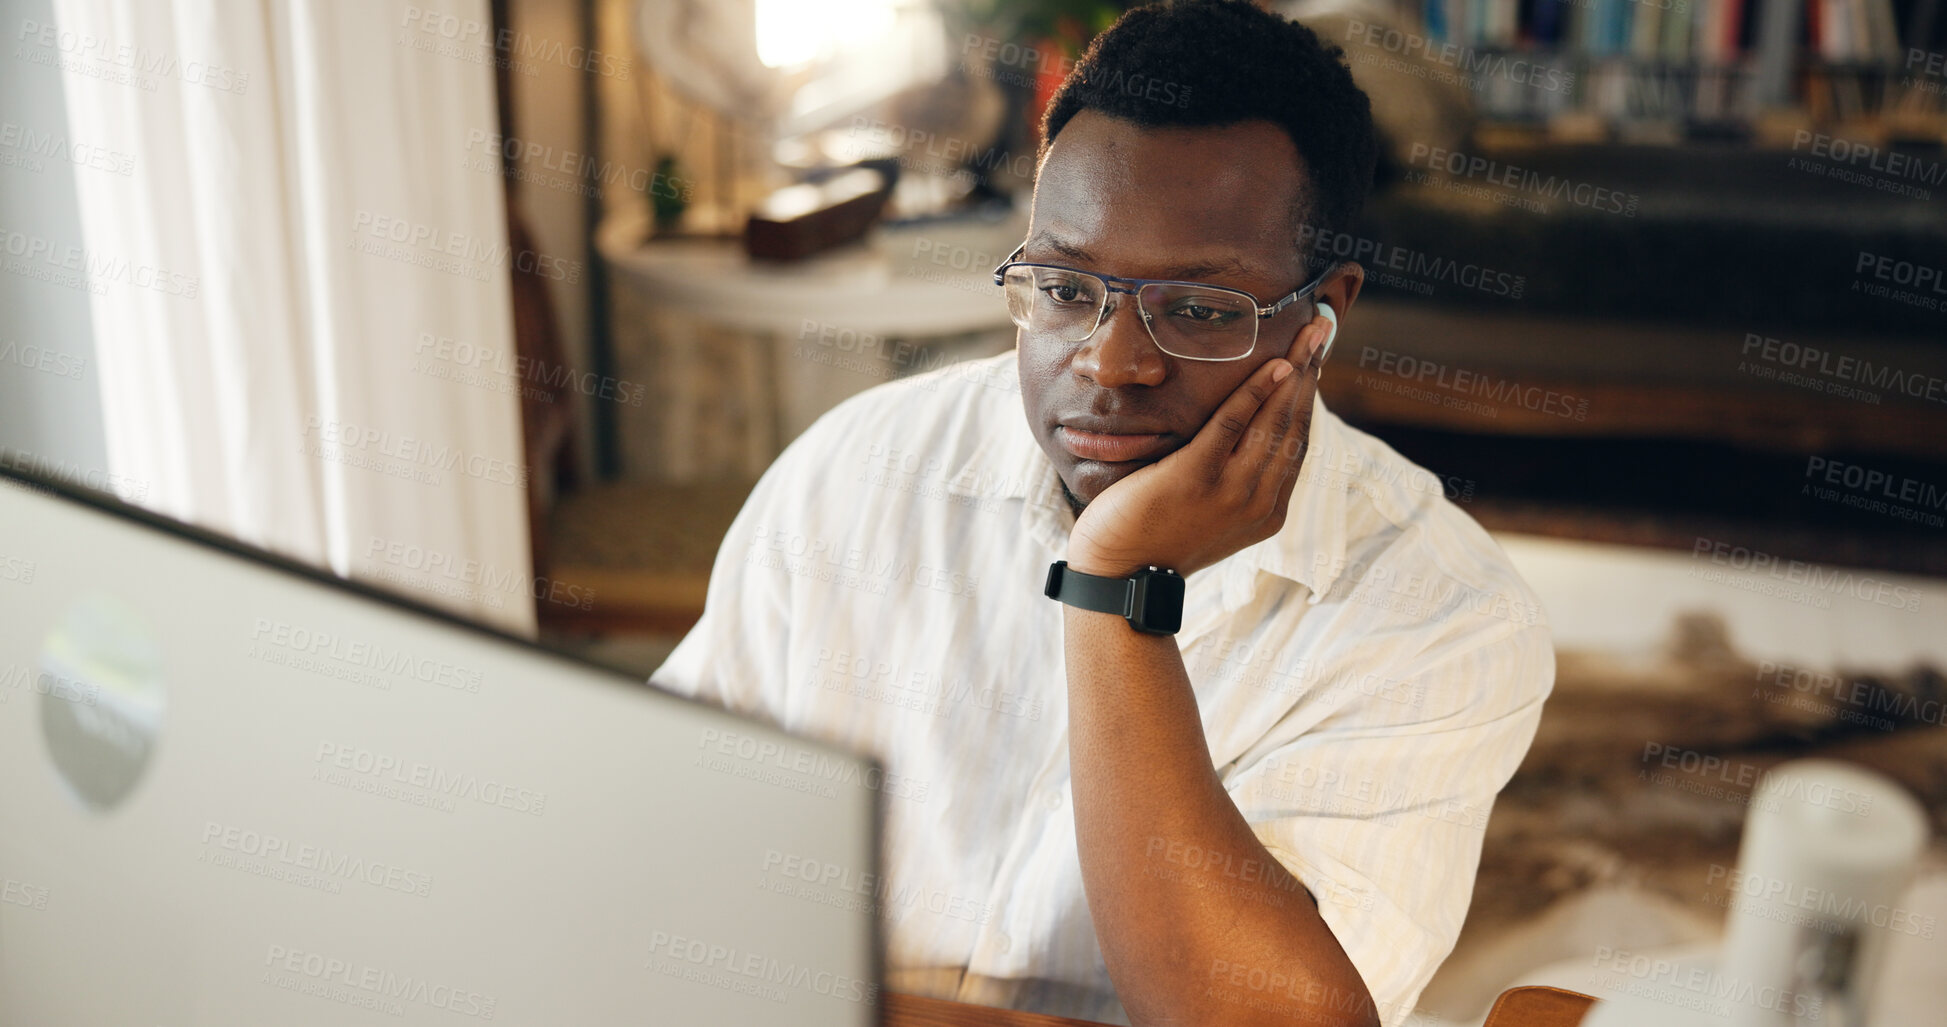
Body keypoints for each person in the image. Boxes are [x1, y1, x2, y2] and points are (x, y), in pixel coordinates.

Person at [650, 1, 1554, 1024]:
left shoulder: (1445, 618)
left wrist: (1116, 595)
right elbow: (659, 838)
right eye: (1067, 289)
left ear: (1322, 315)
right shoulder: (858, 470)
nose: (1111, 363)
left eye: (1200, 310)